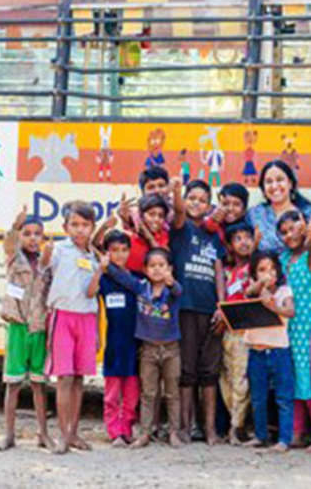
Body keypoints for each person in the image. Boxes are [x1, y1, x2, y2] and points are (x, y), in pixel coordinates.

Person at [98, 247, 184, 449]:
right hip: (147, 350)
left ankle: (173, 432)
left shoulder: (171, 290)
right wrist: (106, 265)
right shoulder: (140, 287)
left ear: (169, 268)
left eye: (161, 265)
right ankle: (145, 433)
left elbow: (178, 291)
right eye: (152, 266)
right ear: (145, 269)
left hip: (171, 349)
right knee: (148, 393)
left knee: (172, 393)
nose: (157, 270)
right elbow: (122, 278)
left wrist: (171, 281)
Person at [170, 178, 227, 444]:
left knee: (209, 372)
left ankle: (210, 429)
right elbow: (179, 211)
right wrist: (175, 191)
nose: (196, 203)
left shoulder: (214, 235)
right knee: (187, 371)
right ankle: (185, 426)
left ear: (209, 205)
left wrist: (222, 305)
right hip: (185, 309)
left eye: (202, 200)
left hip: (210, 310)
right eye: (192, 198)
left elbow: (218, 272)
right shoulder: (180, 229)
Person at [40, 200, 99, 454]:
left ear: (92, 227)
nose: (79, 230)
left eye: (85, 225)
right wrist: (46, 252)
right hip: (62, 317)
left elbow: (91, 291)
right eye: (74, 225)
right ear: (65, 226)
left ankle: (74, 432)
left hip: (87, 319)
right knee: (63, 377)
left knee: (79, 379)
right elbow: (43, 265)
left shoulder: (94, 255)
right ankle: (62, 434)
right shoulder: (58, 251)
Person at [277, 210, 311, 453]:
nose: (289, 235)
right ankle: (297, 431)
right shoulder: (283, 259)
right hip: (290, 327)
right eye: (284, 232)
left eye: (293, 229)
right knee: (294, 378)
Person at [0, 206, 51, 451]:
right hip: (18, 327)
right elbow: (8, 242)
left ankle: (43, 433)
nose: (32, 238)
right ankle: (9, 435)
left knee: (40, 384)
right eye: (26, 233)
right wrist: (14, 226)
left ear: (43, 237)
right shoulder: (14, 258)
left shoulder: (46, 263)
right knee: (13, 384)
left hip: (39, 327)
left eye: (36, 234)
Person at [88, 230, 141, 447]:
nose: (120, 255)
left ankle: (127, 428)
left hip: (135, 342)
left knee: (131, 392)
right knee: (111, 392)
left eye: (124, 250)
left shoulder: (137, 279)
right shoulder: (107, 281)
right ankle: (113, 430)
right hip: (114, 342)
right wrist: (96, 335)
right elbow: (94, 302)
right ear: (107, 253)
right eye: (114, 250)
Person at [242, 250, 295, 452]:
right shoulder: (252, 291)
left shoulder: (283, 291)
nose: (268, 274)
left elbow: (290, 311)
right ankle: (260, 435)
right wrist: (259, 285)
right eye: (262, 270)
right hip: (256, 350)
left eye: (272, 269)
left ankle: (284, 439)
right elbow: (247, 294)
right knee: (258, 396)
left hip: (278, 351)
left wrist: (273, 306)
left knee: (283, 396)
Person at [220, 222, 256, 445]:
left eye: (248, 238)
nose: (244, 243)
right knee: (226, 378)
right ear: (231, 246)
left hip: (246, 332)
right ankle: (237, 422)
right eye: (238, 239)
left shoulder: (255, 269)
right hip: (227, 331)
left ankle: (236, 427)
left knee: (242, 380)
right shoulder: (228, 272)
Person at [247, 160, 311, 253]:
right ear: (263, 188)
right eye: (269, 182)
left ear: (290, 184)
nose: (274, 186)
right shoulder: (255, 214)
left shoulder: (309, 213)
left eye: (280, 180)